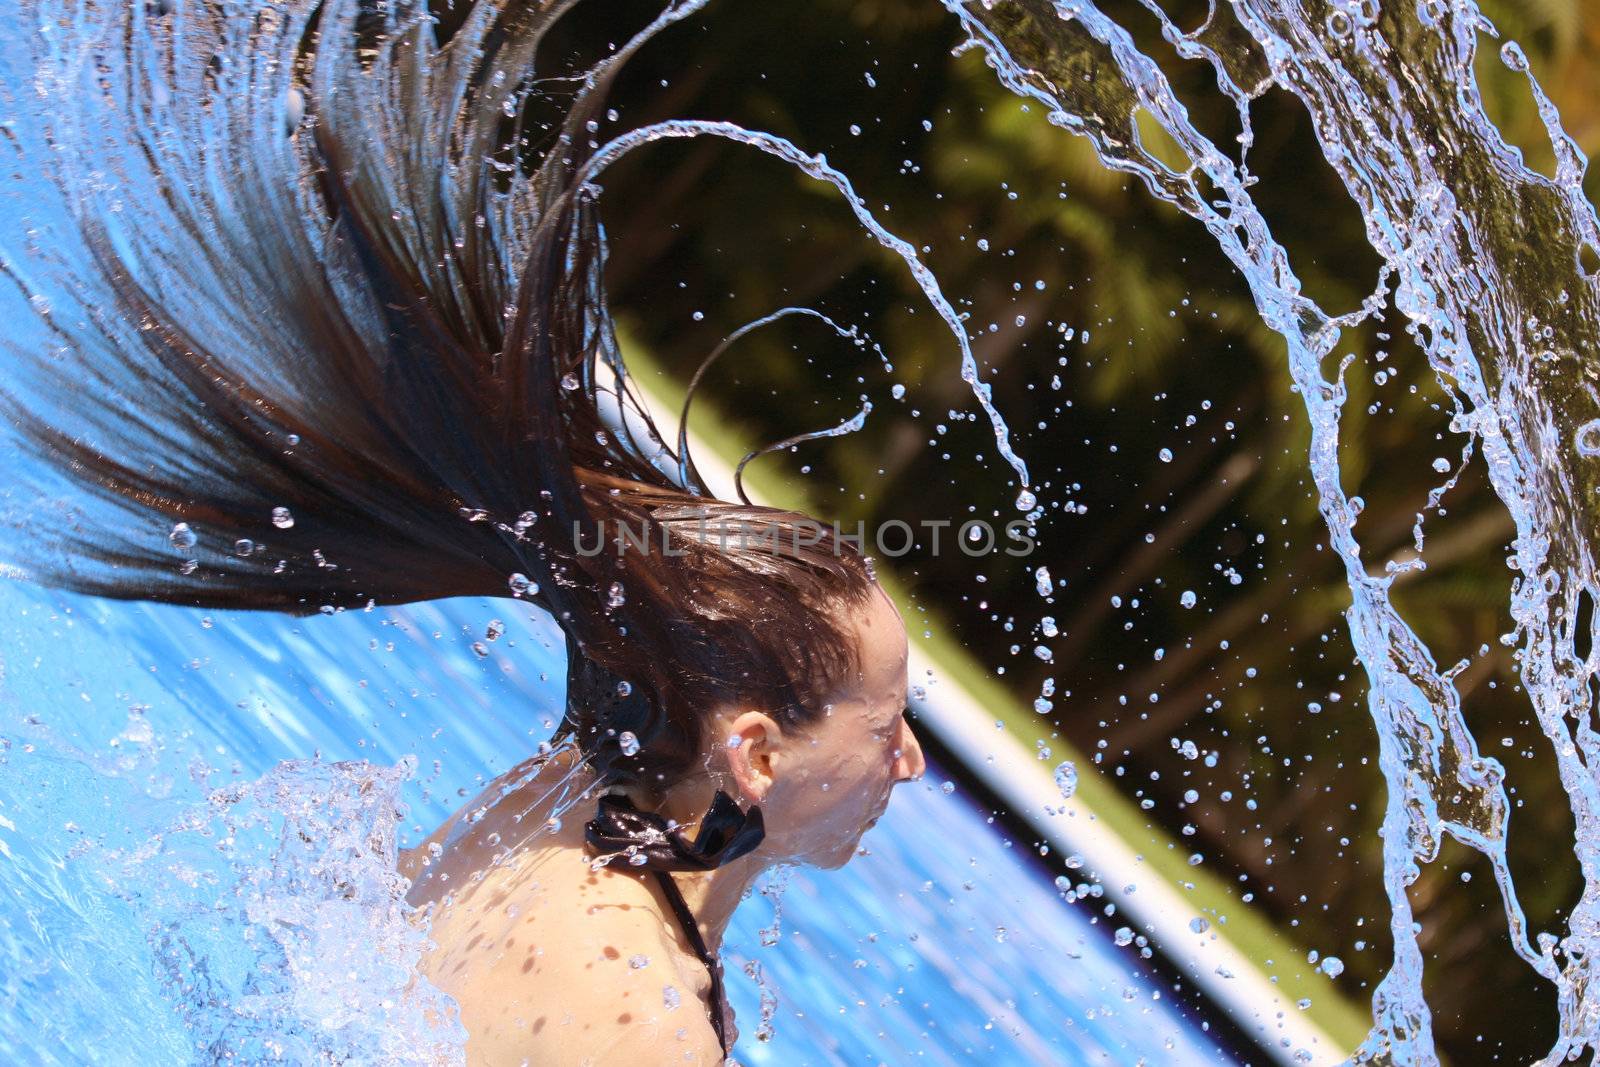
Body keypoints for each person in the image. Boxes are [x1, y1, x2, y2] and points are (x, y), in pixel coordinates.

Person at [2, 0, 925, 1061]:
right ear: (755, 753)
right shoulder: (645, 1020)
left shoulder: (567, 800)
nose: (904, 762)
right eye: (885, 720)